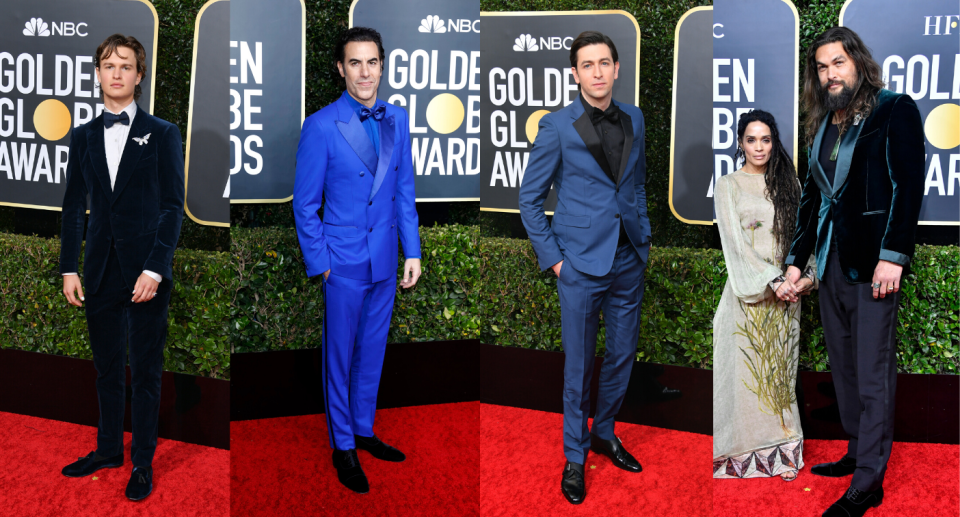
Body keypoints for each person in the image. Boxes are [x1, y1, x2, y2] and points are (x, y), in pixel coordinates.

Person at [785, 27, 925, 517]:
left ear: (858, 63)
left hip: (873, 267)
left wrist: (894, 253)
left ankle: (869, 482)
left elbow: (908, 187)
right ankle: (856, 451)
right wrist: (796, 263)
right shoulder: (822, 124)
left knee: (871, 374)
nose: (830, 74)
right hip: (830, 268)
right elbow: (813, 201)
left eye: (838, 63)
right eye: (822, 67)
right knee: (844, 371)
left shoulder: (893, 108)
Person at [519, 31, 650, 505]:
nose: (596, 72)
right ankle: (574, 457)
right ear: (575, 74)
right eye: (586, 65)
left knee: (621, 355)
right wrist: (555, 261)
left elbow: (634, 186)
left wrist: (644, 238)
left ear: (617, 68)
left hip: (628, 260)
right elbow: (529, 200)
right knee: (578, 368)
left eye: (604, 63)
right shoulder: (556, 126)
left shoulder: (634, 115)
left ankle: (606, 432)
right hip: (579, 265)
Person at [292, 27, 422, 495]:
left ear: (382, 66)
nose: (365, 72)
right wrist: (322, 263)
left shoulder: (398, 119)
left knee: (372, 353)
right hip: (342, 262)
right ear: (341, 68)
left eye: (372, 62)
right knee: (340, 356)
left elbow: (404, 190)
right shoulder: (322, 125)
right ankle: (342, 444)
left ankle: (364, 430)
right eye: (355, 63)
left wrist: (413, 251)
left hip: (385, 259)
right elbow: (304, 205)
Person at [59, 34, 184, 501]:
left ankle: (143, 463)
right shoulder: (85, 135)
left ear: (139, 74)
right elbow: (73, 207)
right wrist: (69, 267)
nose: (116, 73)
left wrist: (155, 268)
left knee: (146, 372)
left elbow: (173, 207)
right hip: (99, 271)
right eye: (108, 65)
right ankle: (109, 449)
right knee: (107, 368)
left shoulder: (164, 133)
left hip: (145, 272)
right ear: (97, 74)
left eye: (125, 65)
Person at [712, 110, 816, 483]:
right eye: (751, 139)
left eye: (766, 139)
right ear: (740, 143)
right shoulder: (729, 185)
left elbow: (806, 238)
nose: (759, 147)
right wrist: (773, 280)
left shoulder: (792, 185)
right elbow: (735, 247)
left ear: (775, 142)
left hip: (787, 297)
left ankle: (784, 453)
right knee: (747, 379)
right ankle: (744, 454)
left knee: (779, 376)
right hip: (749, 295)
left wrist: (807, 278)